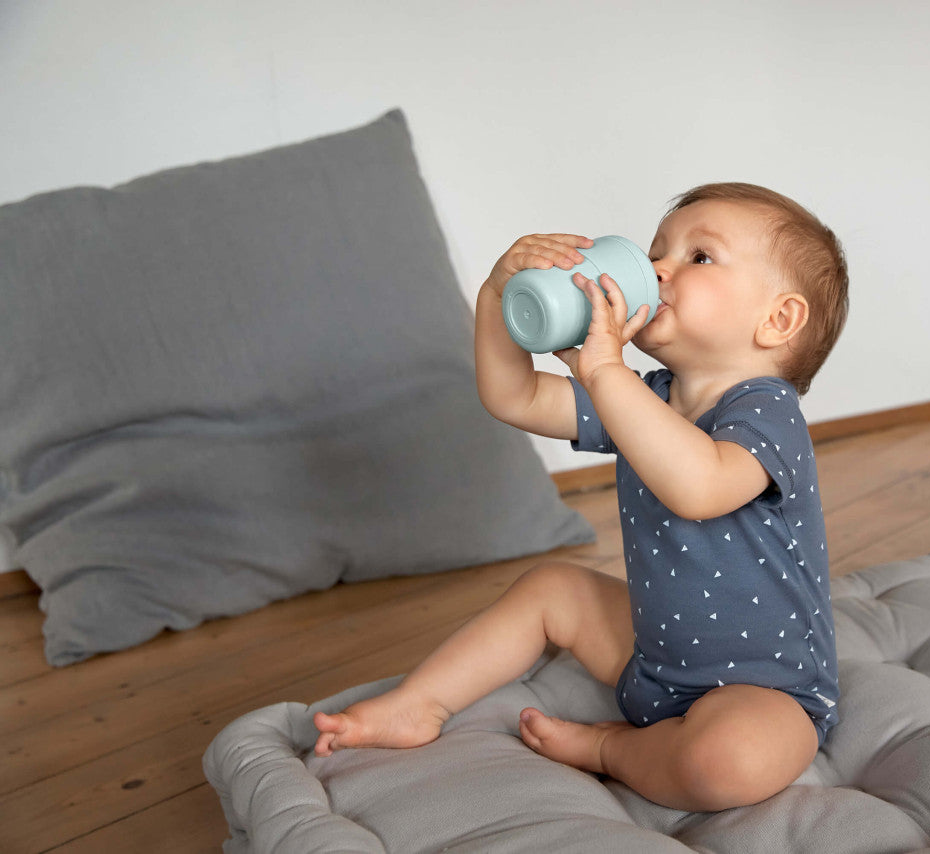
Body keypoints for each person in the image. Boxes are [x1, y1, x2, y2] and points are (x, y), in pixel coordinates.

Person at [314, 182, 850, 812]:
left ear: (778, 320)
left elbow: (700, 487)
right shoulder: (644, 396)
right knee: (552, 589)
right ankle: (418, 703)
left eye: (699, 256)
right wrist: (495, 298)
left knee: (729, 762)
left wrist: (604, 372)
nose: (656, 268)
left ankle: (610, 749)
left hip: (768, 692)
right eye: (656, 251)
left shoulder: (769, 412)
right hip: (653, 657)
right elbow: (516, 397)